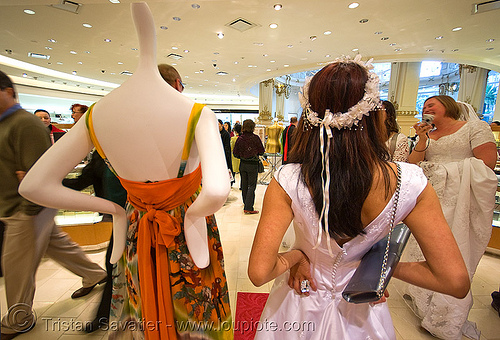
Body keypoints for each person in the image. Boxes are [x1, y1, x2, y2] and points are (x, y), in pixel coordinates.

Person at [19, 3, 232, 339]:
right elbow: (218, 190)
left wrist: (115, 210)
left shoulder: (97, 115)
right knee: (194, 316)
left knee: (139, 309)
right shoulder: (196, 113)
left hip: (134, 227)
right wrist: (191, 216)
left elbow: (33, 185)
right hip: (187, 233)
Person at [247, 56, 470, 340]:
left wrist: (298, 256)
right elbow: (454, 281)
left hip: (298, 306)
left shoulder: (288, 179)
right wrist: (377, 269)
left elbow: (259, 271)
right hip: (362, 313)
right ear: (376, 114)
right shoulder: (408, 181)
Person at [0, 70, 107, 340]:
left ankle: (18, 318)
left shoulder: (24, 124)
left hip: (26, 207)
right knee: (58, 245)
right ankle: (94, 274)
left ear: (9, 91)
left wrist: (32, 208)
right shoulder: (13, 124)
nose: (73, 118)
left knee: (16, 267)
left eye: (77, 114)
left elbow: (38, 173)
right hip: (24, 207)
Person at [406, 96, 497, 339]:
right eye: (424, 106)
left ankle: (446, 316)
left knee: (452, 252)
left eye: (431, 104)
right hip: (429, 200)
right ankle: (425, 303)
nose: (426, 108)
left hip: (460, 201)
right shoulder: (428, 135)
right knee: (424, 249)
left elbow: (487, 163)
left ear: (449, 105)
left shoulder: (475, 128)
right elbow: (414, 165)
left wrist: (441, 171)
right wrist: (422, 140)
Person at [233, 119, 265, 214]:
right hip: (253, 164)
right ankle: (248, 207)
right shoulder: (255, 138)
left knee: (244, 185)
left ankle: (246, 203)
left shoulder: (240, 139)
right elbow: (261, 151)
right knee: (251, 186)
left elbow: (235, 153)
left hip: (243, 164)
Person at [219, 118, 234, 183]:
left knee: (227, 169)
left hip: (225, 155)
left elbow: (227, 147)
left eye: (218, 124)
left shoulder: (226, 134)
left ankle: (230, 181)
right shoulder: (215, 133)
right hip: (218, 156)